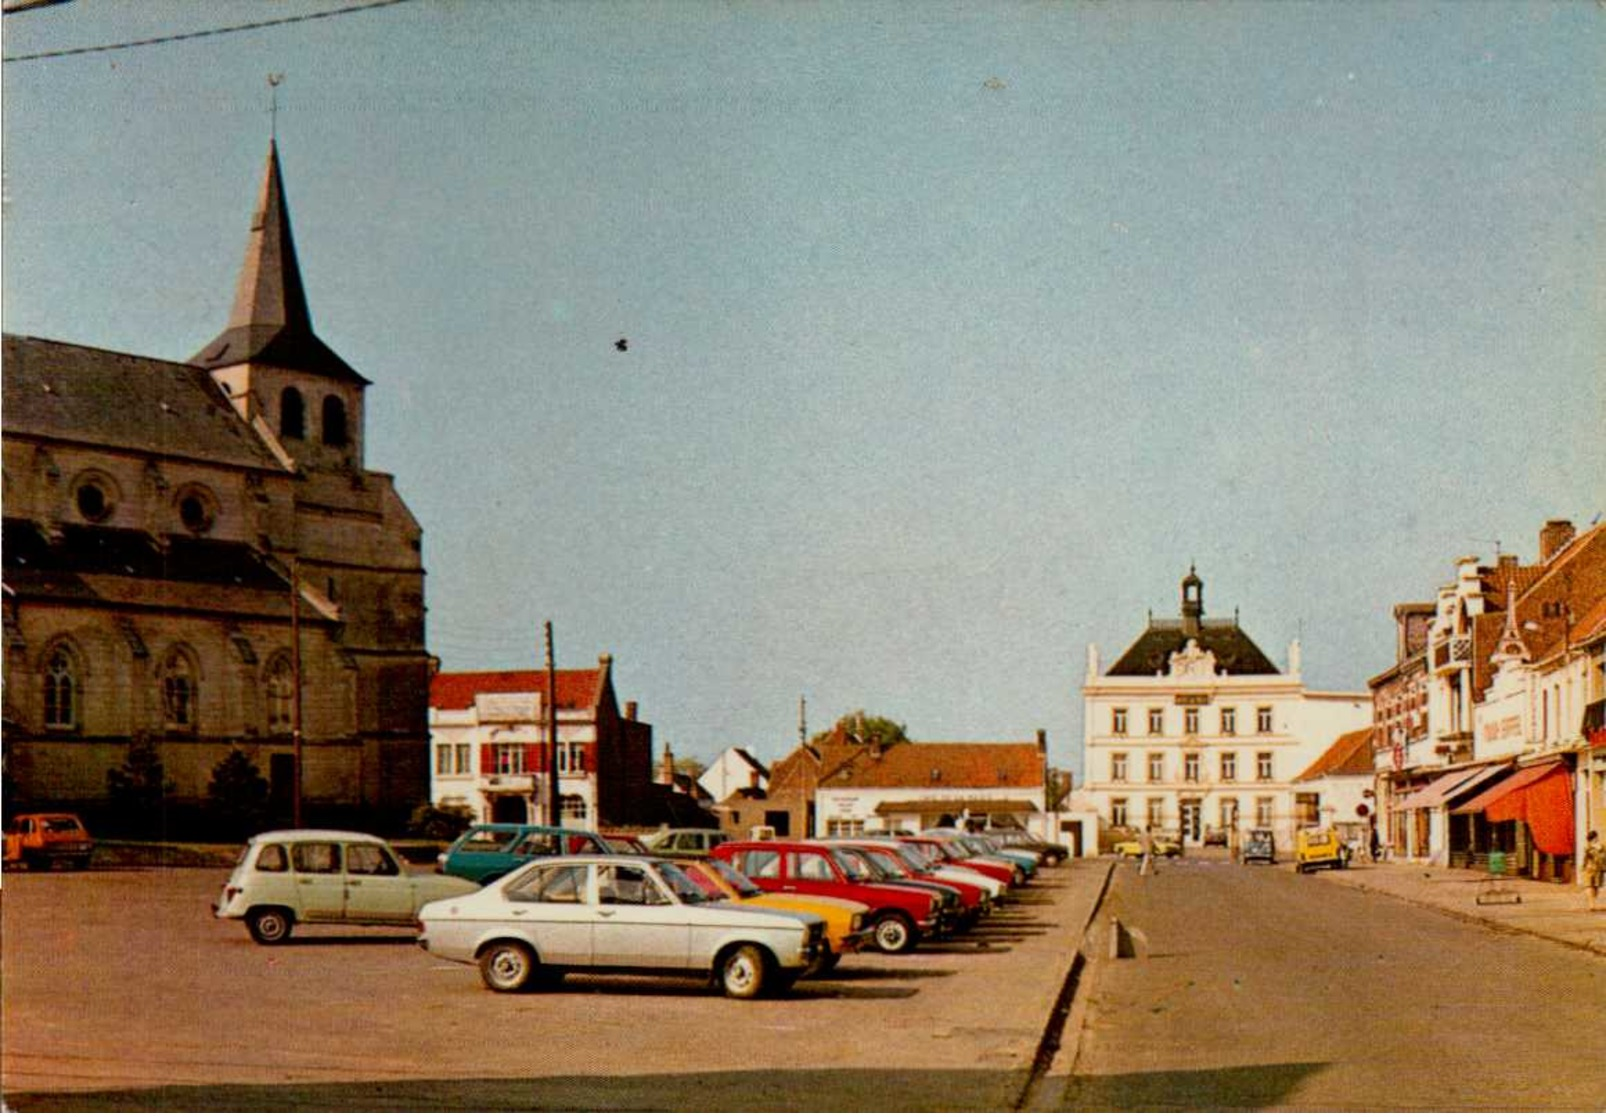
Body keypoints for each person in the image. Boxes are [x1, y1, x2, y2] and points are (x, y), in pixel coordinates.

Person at [1584, 830, 1605, 912]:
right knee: (1592, 886)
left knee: (1592, 886)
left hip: (1592, 869)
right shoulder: (1600, 847)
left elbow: (1585, 859)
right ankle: (1592, 904)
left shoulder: (1589, 847)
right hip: (1596, 869)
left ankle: (1592, 903)